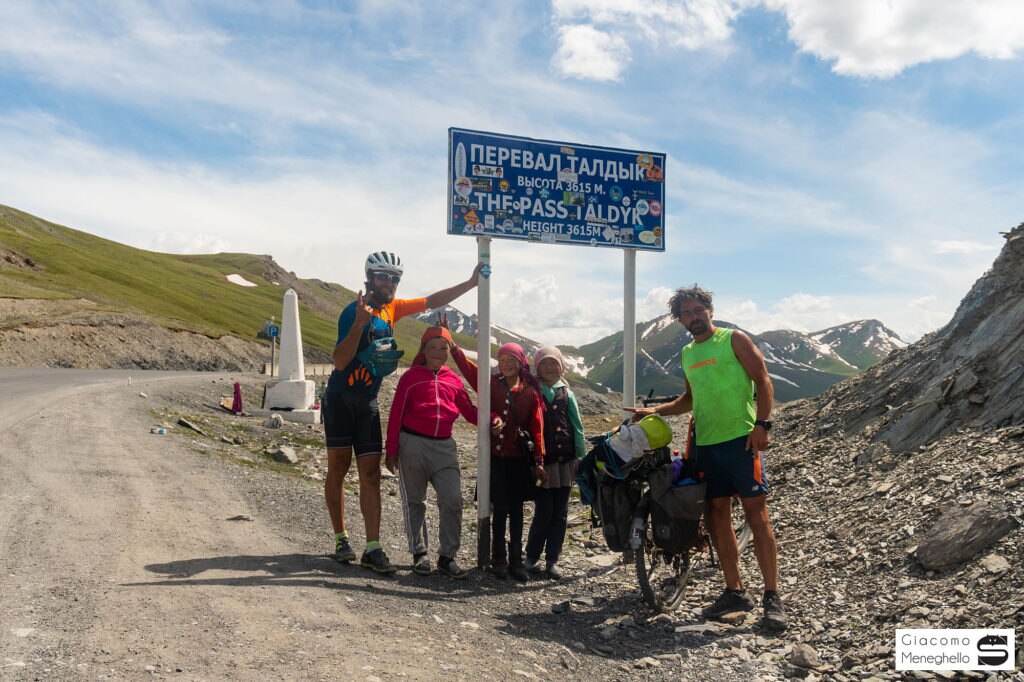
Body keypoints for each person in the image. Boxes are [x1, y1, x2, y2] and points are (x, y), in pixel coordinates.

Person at [626, 285, 788, 632]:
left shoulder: (734, 340)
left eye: (699, 309)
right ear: (679, 319)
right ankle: (735, 591)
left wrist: (762, 425)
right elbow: (689, 399)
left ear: (709, 310)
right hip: (706, 446)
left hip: (741, 443)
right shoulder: (688, 353)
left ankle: (772, 597)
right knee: (716, 517)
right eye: (687, 312)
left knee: (757, 515)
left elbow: (762, 379)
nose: (694, 316)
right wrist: (655, 409)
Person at [323, 251, 483, 574]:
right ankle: (341, 538)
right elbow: (339, 361)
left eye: (395, 278)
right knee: (338, 468)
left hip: (367, 401)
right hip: (340, 399)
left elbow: (431, 299)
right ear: (370, 277)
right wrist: (358, 324)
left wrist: (470, 283)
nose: (390, 283)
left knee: (370, 474)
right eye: (384, 276)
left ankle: (372, 547)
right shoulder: (351, 311)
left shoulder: (393, 308)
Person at [384, 325, 479, 579]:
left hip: (444, 446)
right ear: (423, 350)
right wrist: (391, 449)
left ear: (449, 351)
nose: (438, 352)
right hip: (412, 444)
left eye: (443, 348)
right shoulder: (411, 377)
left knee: (453, 500)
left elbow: (469, 412)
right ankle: (420, 554)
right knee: (415, 501)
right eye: (432, 347)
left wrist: (492, 419)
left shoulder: (453, 379)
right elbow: (395, 415)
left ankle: (447, 557)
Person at [450, 341, 545, 582]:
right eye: (502, 360)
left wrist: (539, 460)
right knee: (500, 509)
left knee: (516, 511)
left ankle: (516, 561)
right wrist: (455, 351)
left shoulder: (531, 393)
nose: (506, 364)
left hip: (519, 461)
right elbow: (471, 371)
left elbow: (537, 428)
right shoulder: (490, 383)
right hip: (496, 459)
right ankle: (499, 559)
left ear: (521, 362)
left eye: (511, 360)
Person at [524, 345, 586, 580]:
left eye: (554, 363)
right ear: (537, 367)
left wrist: (580, 456)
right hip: (543, 462)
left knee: (560, 513)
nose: (550, 368)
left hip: (565, 462)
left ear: (561, 367)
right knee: (544, 511)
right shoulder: (532, 391)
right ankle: (531, 556)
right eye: (544, 363)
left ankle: (552, 560)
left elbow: (577, 426)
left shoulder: (567, 394)